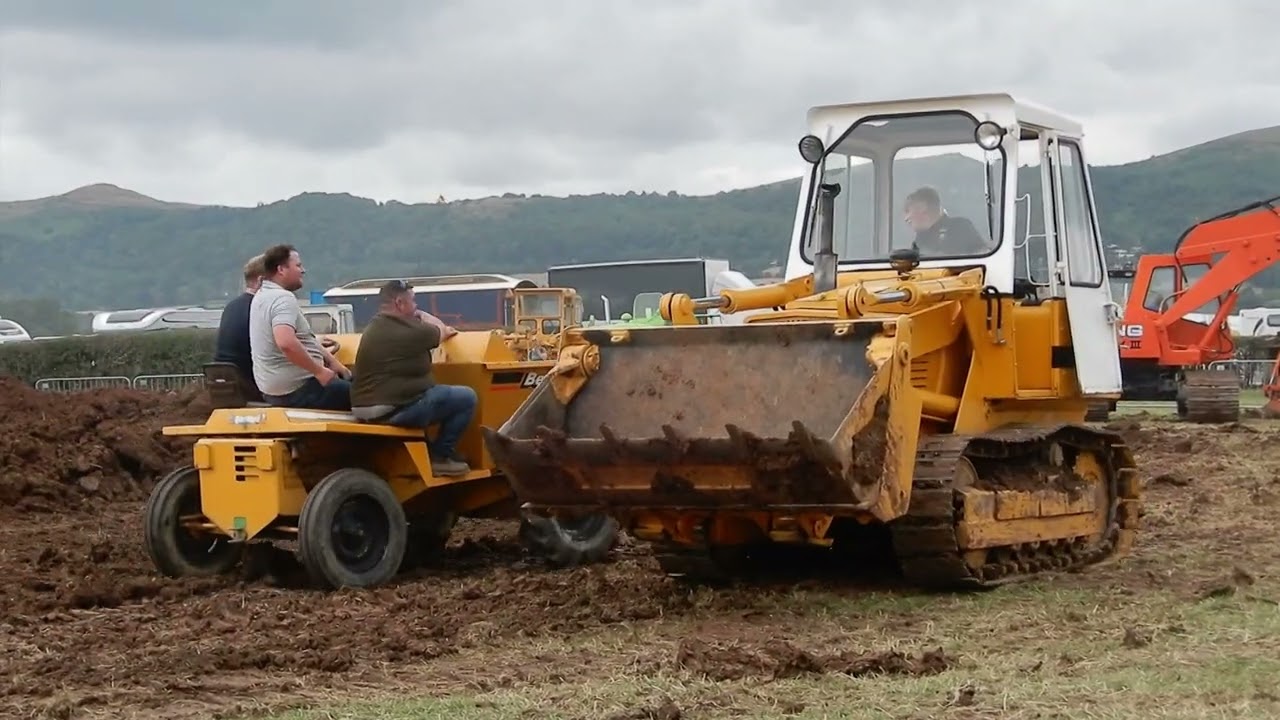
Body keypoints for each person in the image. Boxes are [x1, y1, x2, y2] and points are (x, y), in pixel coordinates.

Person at [350, 279, 476, 477]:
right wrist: (423, 315)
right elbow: (442, 330)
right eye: (414, 301)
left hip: (366, 407)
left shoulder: (375, 327)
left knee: (422, 393)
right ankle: (440, 457)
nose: (416, 306)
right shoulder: (406, 331)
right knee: (465, 397)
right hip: (390, 411)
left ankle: (427, 449)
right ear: (400, 303)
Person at [249, 244, 353, 410]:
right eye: (298, 265)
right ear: (281, 269)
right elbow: (286, 343)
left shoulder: (261, 296)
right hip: (299, 389)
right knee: (368, 398)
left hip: (273, 389)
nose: (303, 270)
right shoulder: (282, 298)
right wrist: (319, 371)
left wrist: (332, 361)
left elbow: (299, 340)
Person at [213, 254, 267, 401]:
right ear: (261, 280)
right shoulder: (261, 309)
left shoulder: (232, 307)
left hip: (227, 382)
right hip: (253, 385)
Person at [903, 186, 991, 256]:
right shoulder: (919, 241)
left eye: (908, 211)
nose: (906, 218)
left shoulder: (960, 228)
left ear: (922, 207)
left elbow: (983, 254)